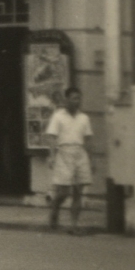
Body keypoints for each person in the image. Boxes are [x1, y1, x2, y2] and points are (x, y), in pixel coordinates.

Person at [46, 86, 93, 234]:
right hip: (64, 153)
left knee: (79, 191)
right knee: (64, 192)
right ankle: (55, 206)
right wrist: (52, 156)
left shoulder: (84, 118)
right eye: (74, 98)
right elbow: (52, 137)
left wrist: (91, 160)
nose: (77, 101)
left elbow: (89, 139)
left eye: (79, 98)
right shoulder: (58, 116)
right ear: (66, 100)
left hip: (80, 153)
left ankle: (74, 225)